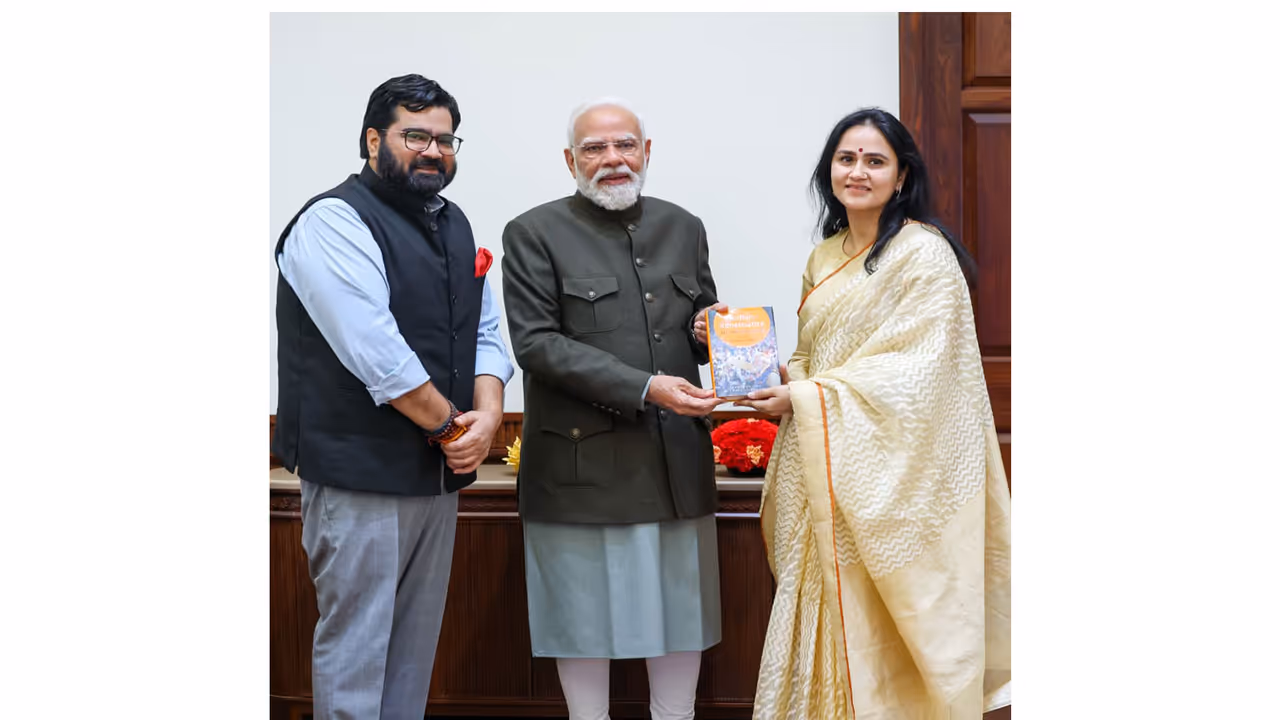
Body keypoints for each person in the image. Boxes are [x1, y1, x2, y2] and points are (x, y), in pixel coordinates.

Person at [737, 108, 1012, 719]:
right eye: (846, 158)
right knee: (819, 609)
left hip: (889, 478)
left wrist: (806, 397)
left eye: (874, 161)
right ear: (829, 170)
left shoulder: (923, 255)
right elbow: (812, 357)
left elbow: (919, 373)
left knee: (889, 621)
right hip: (822, 468)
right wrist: (774, 376)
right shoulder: (823, 257)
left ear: (901, 175)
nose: (857, 172)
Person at [272, 74, 514, 720]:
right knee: (358, 652)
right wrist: (454, 431)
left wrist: (489, 417)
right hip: (359, 475)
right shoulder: (332, 221)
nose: (433, 150)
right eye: (416, 136)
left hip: (437, 475)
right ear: (374, 140)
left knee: (412, 652)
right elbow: (375, 351)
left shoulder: (454, 224)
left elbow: (485, 333)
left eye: (445, 139)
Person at [501, 97, 728, 720]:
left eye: (625, 144)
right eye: (594, 148)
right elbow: (537, 345)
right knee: (581, 621)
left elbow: (698, 326)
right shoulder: (533, 232)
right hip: (581, 469)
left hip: (676, 461)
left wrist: (708, 331)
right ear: (570, 159)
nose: (612, 159)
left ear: (646, 152)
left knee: (683, 615)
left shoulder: (684, 226)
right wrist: (645, 387)